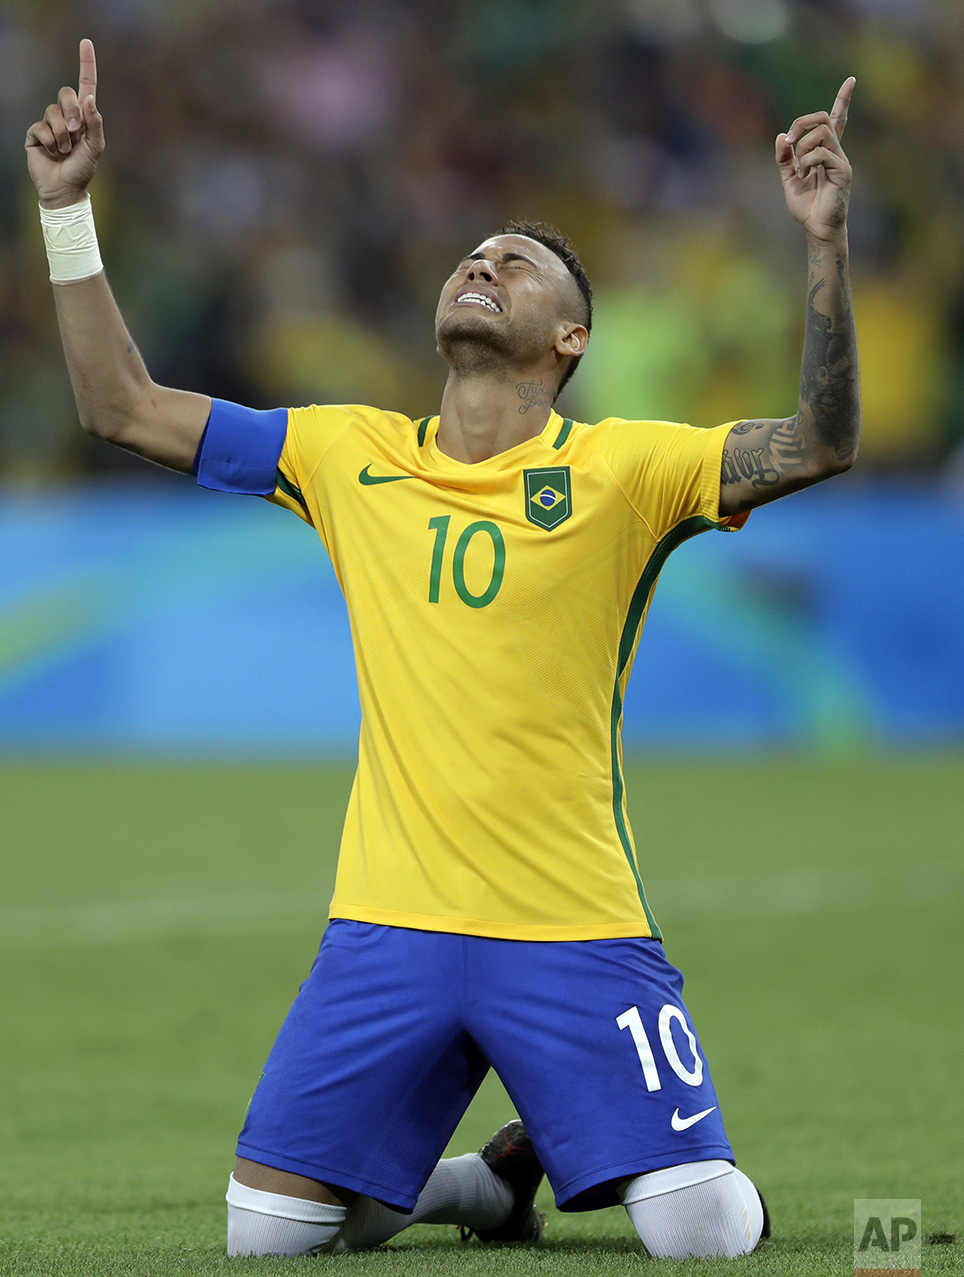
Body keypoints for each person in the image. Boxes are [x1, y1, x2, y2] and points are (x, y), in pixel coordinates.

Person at [27, 39, 859, 1260]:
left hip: (568, 919)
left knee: (700, 1230)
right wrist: (64, 213)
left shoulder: (625, 468)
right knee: (269, 1234)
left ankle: (561, 1147)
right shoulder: (344, 451)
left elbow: (819, 442)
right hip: (387, 922)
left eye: (518, 264)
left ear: (569, 340)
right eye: (474, 254)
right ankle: (489, 1180)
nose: (484, 263)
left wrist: (824, 244)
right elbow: (120, 407)